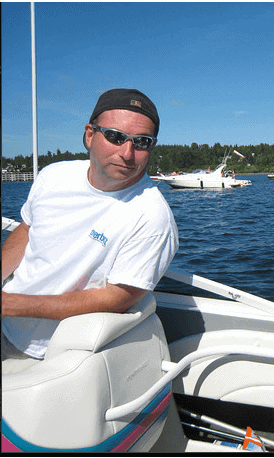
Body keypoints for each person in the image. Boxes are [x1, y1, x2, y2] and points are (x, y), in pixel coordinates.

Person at [2, 88, 179, 374]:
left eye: (142, 142)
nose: (127, 153)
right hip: (6, 320)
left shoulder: (152, 218)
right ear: (89, 135)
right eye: (115, 136)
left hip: (55, 354)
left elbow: (116, 298)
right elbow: (27, 231)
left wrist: (10, 304)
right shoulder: (53, 176)